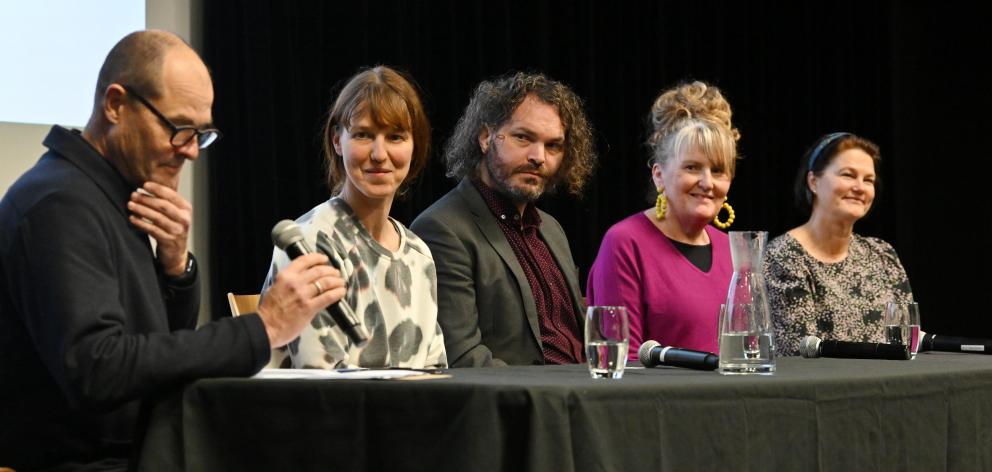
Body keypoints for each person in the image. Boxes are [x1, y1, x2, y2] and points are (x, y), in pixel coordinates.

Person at [0, 30, 345, 470]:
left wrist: (175, 269)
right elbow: (99, 369)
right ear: (115, 105)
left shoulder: (114, 195)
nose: (190, 151)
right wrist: (263, 327)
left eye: (201, 135)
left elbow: (157, 349)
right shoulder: (59, 204)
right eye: (179, 129)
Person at [262, 66, 447, 369]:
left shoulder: (418, 253)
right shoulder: (309, 242)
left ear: (416, 145)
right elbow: (323, 382)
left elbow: (436, 371)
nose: (379, 153)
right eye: (363, 135)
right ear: (337, 140)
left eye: (396, 137)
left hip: (410, 413)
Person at [411, 72, 597, 367]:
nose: (539, 156)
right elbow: (463, 358)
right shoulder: (442, 228)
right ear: (486, 137)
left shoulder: (551, 229)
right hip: (522, 406)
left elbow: (580, 341)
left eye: (553, 146)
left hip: (582, 397)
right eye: (523, 137)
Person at [586, 81, 740, 359]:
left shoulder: (734, 251)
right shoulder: (624, 242)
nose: (707, 182)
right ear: (659, 175)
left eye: (718, 170)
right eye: (692, 167)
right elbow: (620, 361)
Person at [764, 132, 913, 356]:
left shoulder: (883, 254)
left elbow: (906, 343)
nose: (860, 187)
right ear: (813, 181)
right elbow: (798, 354)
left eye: (868, 180)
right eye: (848, 175)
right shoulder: (783, 256)